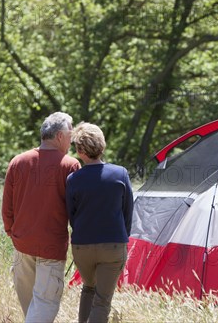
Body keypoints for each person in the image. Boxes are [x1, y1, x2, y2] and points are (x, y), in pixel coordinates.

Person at [2, 112, 81, 322]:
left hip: (21, 243)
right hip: (51, 246)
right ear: (60, 137)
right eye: (71, 133)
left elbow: (6, 206)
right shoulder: (70, 165)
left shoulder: (17, 161)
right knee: (44, 304)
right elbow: (76, 209)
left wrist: (12, 232)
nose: (72, 139)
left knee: (31, 307)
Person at [66, 122, 134, 323]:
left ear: (79, 151)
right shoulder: (120, 174)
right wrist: (123, 238)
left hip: (82, 246)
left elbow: (72, 216)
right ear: (102, 146)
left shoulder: (73, 179)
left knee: (88, 288)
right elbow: (128, 211)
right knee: (102, 301)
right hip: (113, 245)